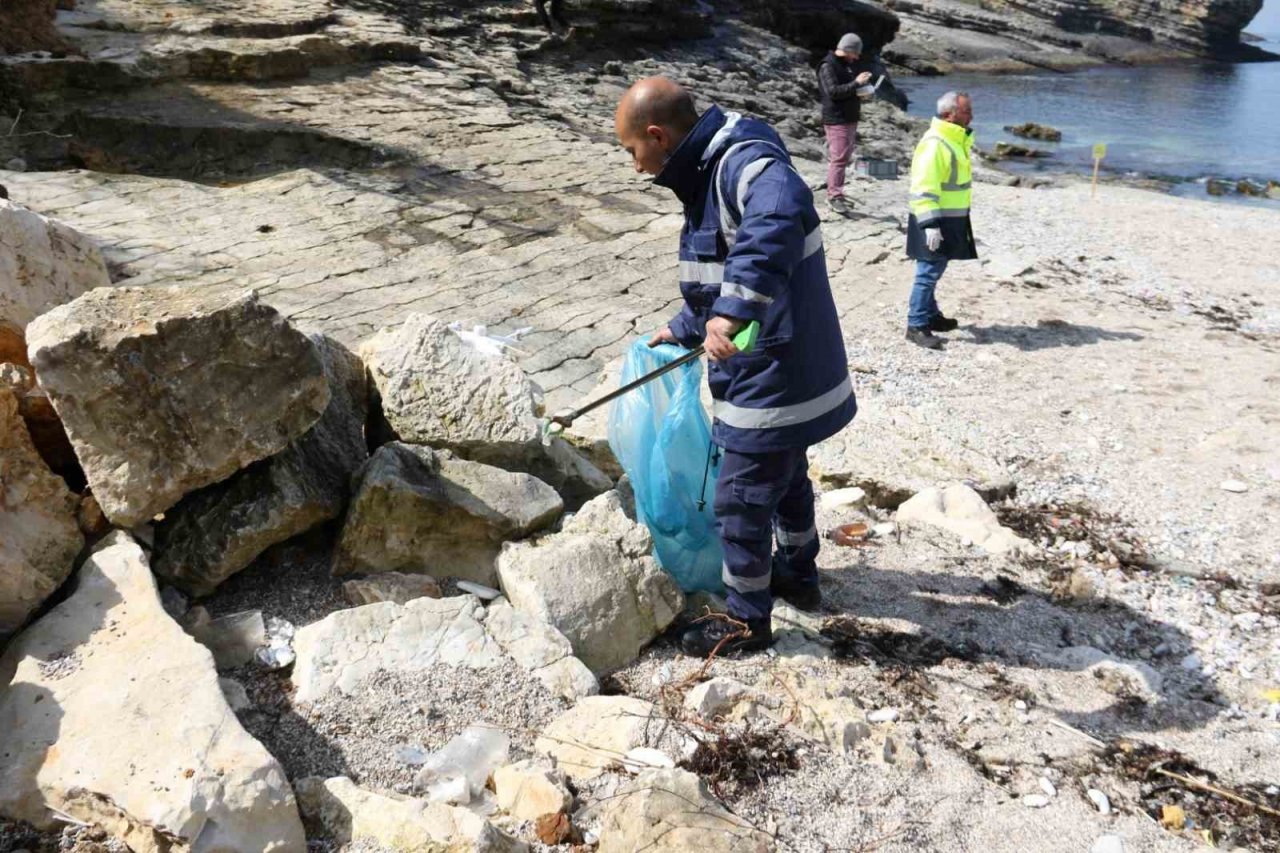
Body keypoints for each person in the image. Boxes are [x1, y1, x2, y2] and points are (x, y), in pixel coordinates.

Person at [613, 77, 857, 657]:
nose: (635, 167)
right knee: (787, 476)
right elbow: (721, 267)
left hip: (772, 374)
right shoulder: (705, 174)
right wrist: (687, 324)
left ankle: (747, 621)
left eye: (632, 152)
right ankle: (798, 573)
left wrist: (733, 311)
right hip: (785, 372)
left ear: (656, 134)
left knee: (740, 500)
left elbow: (777, 215)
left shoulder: (743, 165)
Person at [905, 90, 977, 350]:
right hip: (935, 220)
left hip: (949, 219)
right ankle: (915, 325)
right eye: (966, 111)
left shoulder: (955, 140)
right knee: (928, 272)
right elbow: (924, 187)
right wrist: (929, 225)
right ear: (950, 114)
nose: (971, 115)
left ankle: (931, 315)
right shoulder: (937, 143)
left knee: (934, 269)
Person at [817, 33, 876, 213]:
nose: (857, 57)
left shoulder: (845, 66)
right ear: (848, 49)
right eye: (855, 53)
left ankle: (837, 192)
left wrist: (862, 90)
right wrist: (856, 82)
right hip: (837, 119)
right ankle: (834, 196)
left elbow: (846, 91)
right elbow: (833, 92)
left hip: (849, 118)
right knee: (839, 158)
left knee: (843, 157)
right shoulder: (827, 66)